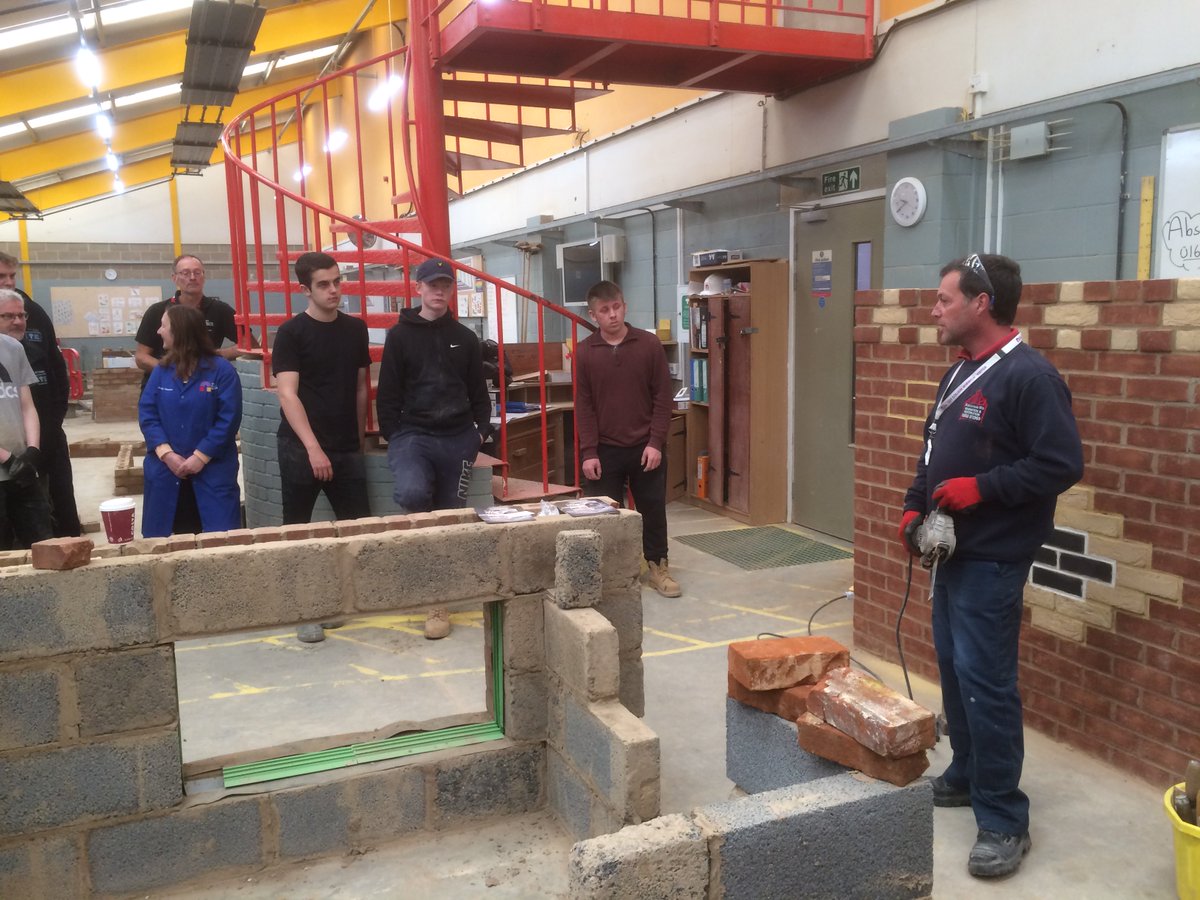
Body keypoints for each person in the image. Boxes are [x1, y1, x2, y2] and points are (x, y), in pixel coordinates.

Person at [897, 253, 1083, 879]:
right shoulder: (958, 374)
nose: (935, 310)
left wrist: (984, 489)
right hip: (952, 555)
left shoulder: (1030, 377)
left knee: (987, 682)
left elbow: (1061, 464)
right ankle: (967, 775)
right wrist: (912, 508)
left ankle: (1004, 818)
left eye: (944, 299)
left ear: (980, 302)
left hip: (995, 559)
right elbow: (931, 450)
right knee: (954, 671)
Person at [376, 258, 490, 640]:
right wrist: (395, 435)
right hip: (414, 436)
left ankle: (436, 599)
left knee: (450, 517)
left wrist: (479, 435)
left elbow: (479, 392)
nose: (438, 290)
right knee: (412, 495)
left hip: (459, 438)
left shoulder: (466, 338)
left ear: (451, 290)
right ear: (418, 288)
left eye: (445, 284)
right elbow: (388, 392)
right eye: (432, 284)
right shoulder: (399, 336)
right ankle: (421, 580)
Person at [274, 251, 371, 642]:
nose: (334, 290)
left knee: (356, 528)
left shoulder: (356, 328)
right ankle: (302, 608)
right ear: (305, 290)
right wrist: (314, 449)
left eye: (337, 281)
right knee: (298, 530)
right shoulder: (292, 333)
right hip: (301, 450)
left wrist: (359, 439)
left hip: (346, 445)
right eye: (324, 284)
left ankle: (337, 600)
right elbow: (287, 395)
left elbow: (362, 387)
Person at [575, 280, 679, 598]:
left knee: (652, 508)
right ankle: (604, 574)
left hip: (645, 446)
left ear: (625, 306)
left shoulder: (648, 345)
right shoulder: (584, 352)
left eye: (616, 307)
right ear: (594, 315)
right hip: (604, 450)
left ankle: (657, 566)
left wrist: (656, 442)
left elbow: (663, 397)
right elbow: (585, 405)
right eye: (605, 310)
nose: (613, 315)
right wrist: (589, 451)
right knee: (602, 515)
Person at [139, 305, 243, 537]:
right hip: (167, 471)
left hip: (212, 471)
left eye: (164, 325)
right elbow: (147, 413)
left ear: (179, 331)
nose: (158, 331)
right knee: (164, 546)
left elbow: (228, 419)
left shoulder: (222, 372)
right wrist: (166, 454)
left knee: (219, 544)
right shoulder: (161, 371)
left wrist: (200, 457)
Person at [0, 251, 80, 537]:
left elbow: (56, 372)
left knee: (51, 515)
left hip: (41, 437)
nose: (8, 283)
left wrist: (42, 438)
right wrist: (9, 458)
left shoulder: (32, 316)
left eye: (12, 276)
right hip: (6, 454)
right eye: (1, 277)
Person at [134, 254, 254, 381]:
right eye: (185, 273)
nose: (192, 277)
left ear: (204, 277)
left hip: (203, 384)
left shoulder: (220, 310)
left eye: (197, 272)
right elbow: (141, 357)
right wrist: (174, 372)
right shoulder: (157, 311)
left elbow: (250, 344)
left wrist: (213, 356)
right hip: (162, 384)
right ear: (174, 278)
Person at [0, 290, 52, 549]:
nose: (18, 321)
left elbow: (27, 406)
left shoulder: (13, 348)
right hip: (9, 465)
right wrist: (6, 458)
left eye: (21, 315)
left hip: (21, 471)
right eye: (9, 315)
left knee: (43, 545)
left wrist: (32, 451)